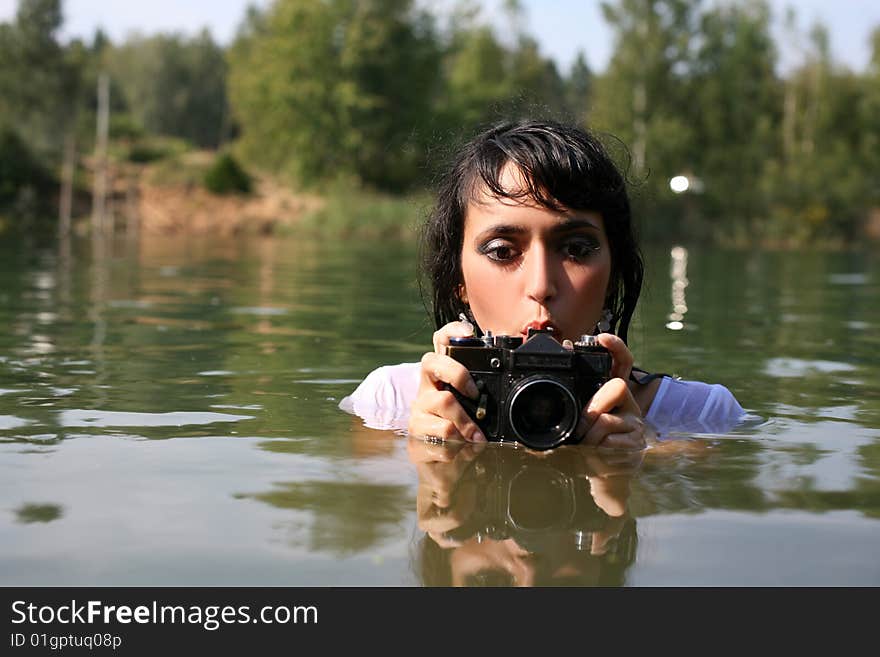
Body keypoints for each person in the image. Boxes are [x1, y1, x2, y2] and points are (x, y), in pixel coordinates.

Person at [339, 119, 746, 448]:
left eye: (576, 249)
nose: (541, 285)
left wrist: (636, 461)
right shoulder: (389, 403)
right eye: (502, 251)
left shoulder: (703, 417)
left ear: (613, 274)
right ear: (457, 280)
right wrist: (429, 461)